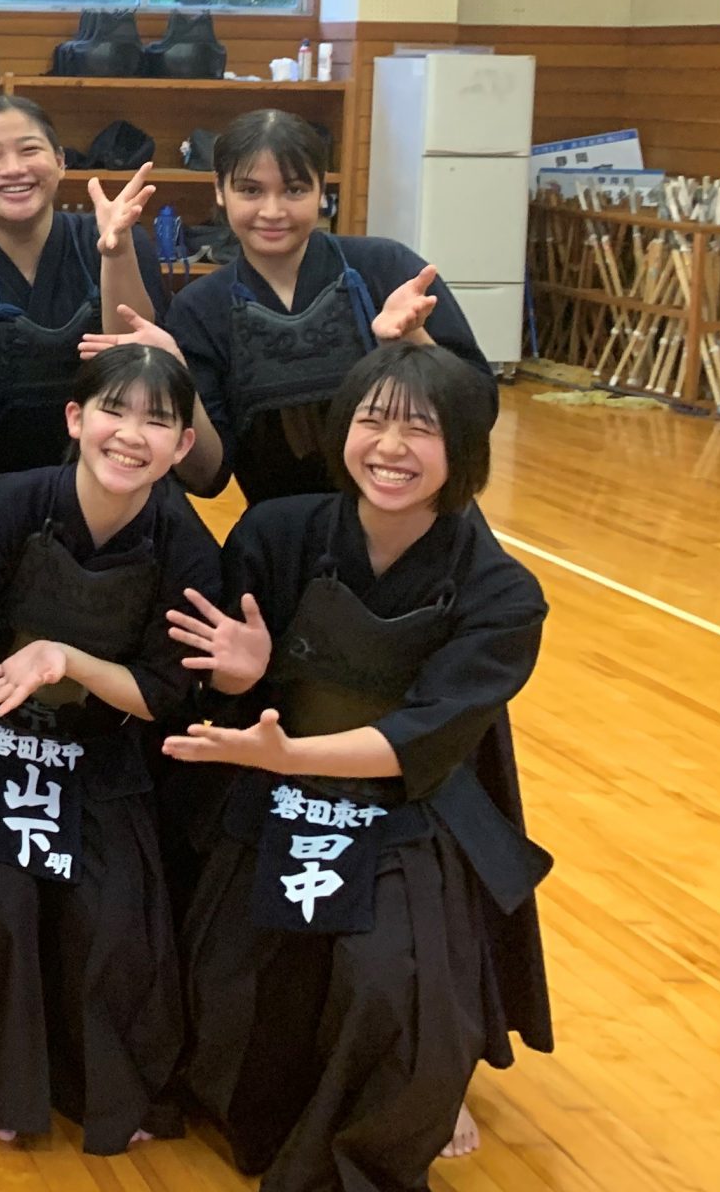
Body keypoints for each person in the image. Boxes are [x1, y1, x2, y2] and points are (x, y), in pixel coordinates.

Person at [161, 344, 551, 1192]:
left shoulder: (502, 590)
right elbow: (213, 680)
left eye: (422, 429)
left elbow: (421, 737)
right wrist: (243, 678)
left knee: (391, 986)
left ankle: (415, 1098)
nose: (391, 447)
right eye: (373, 421)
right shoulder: (277, 532)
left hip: (405, 806)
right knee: (239, 984)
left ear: (463, 450)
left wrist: (289, 755)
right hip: (274, 789)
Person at [0, 346, 219, 1154]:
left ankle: (96, 1078)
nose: (130, 434)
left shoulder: (184, 543)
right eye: (113, 410)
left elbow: (162, 693)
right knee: (1, 901)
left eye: (157, 421)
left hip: (94, 754)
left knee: (110, 922)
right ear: (76, 419)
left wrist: (65, 660)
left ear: (183, 445)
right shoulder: (8, 503)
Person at [107, 108, 494, 506]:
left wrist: (412, 337)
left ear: (321, 190)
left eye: (294, 190)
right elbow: (207, 478)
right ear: (221, 191)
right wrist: (178, 378)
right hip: (286, 528)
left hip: (415, 516)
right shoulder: (199, 310)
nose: (272, 211)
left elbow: (479, 411)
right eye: (251, 191)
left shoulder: (388, 269)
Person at [0, 95, 162, 487]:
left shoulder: (121, 240)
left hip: (117, 478)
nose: (13, 169)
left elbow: (141, 367)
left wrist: (116, 255)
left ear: (60, 162)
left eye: (29, 150)